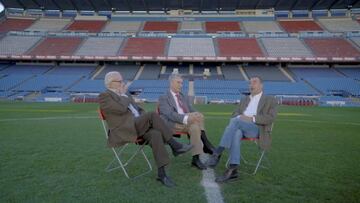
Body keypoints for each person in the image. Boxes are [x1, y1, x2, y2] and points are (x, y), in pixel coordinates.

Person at [98, 71, 192, 188]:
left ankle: (162, 175)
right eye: (120, 81)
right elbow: (121, 109)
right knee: (152, 115)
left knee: (155, 134)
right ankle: (175, 145)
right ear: (110, 83)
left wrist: (142, 115)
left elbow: (138, 109)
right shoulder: (104, 96)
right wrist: (123, 95)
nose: (123, 84)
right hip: (125, 129)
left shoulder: (125, 93)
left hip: (138, 125)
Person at [207, 76, 277, 183]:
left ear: (261, 85)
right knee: (236, 132)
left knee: (235, 121)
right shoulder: (244, 99)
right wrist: (240, 116)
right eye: (250, 83)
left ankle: (218, 152)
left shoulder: (269, 99)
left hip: (257, 128)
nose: (251, 85)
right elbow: (235, 113)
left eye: (254, 82)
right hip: (240, 126)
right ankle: (233, 169)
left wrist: (251, 118)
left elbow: (270, 118)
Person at [158, 73, 215, 170]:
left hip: (187, 122)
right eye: (178, 82)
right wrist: (187, 118)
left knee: (196, 125)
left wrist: (195, 114)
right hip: (172, 124)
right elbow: (169, 115)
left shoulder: (183, 95)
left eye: (182, 83)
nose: (181, 85)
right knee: (196, 120)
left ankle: (195, 159)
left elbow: (191, 109)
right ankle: (206, 143)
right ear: (171, 83)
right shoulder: (164, 97)